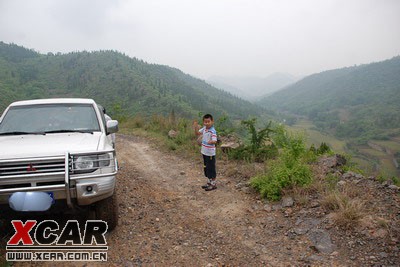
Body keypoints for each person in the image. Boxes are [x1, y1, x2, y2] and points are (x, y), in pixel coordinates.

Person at [193, 114, 218, 191]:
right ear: (203, 122)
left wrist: (212, 141)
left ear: (212, 122)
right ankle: (209, 182)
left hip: (210, 153)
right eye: (205, 122)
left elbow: (215, 140)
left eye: (208, 122)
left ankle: (213, 184)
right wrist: (195, 127)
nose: (207, 123)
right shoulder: (204, 129)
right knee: (206, 167)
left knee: (211, 168)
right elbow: (197, 133)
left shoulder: (212, 131)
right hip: (204, 152)